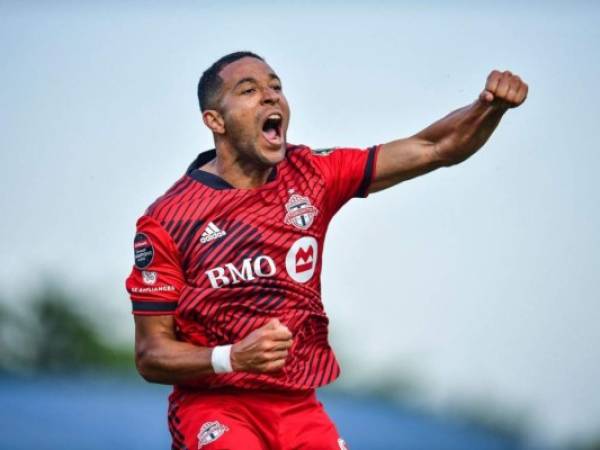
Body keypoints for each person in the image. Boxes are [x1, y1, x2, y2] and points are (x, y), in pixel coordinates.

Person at [125, 51, 528, 450]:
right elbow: (151, 355)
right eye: (248, 90)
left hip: (297, 406)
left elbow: (433, 148)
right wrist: (231, 357)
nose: (270, 96)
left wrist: (488, 108)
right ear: (216, 121)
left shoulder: (311, 174)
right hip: (215, 407)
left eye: (276, 87)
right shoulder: (168, 219)